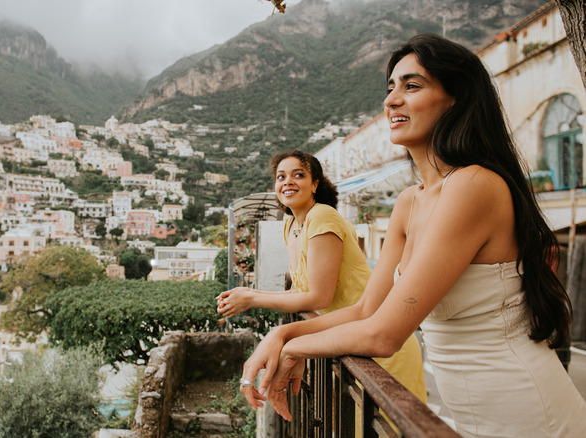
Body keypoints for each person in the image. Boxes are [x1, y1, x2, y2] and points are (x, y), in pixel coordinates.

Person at [238, 34, 586, 437]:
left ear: (457, 98)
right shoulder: (409, 202)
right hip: (468, 417)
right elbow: (368, 308)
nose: (391, 100)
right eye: (391, 88)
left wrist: (292, 348)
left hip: (528, 414)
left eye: (412, 86)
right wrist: (282, 332)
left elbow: (383, 334)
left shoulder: (474, 185)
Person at [218, 150, 427, 403]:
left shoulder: (322, 216)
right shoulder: (292, 225)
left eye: (299, 175)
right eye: (280, 177)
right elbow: (300, 292)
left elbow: (319, 297)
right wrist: (248, 294)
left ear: (315, 184)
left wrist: (252, 299)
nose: (288, 182)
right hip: (345, 337)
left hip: (379, 339)